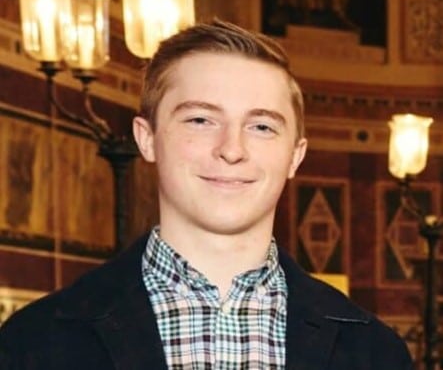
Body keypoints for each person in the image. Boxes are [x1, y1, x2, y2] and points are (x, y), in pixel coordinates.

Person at [0, 20, 412, 369]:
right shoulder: (34, 342)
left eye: (262, 126)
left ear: (295, 156)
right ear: (146, 139)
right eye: (200, 119)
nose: (232, 149)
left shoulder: (375, 352)